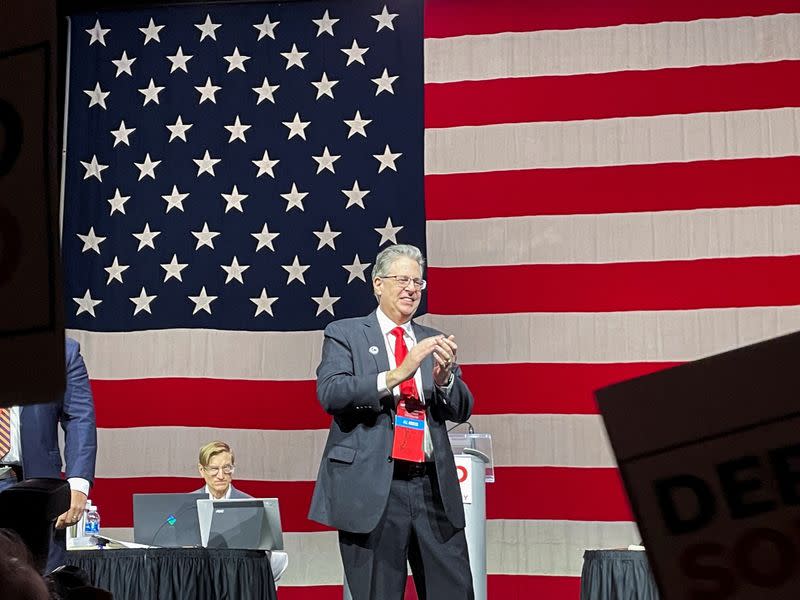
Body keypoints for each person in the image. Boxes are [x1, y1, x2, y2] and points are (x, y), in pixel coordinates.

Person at [309, 243, 475, 599]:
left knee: (455, 592)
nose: (411, 289)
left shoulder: (433, 339)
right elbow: (332, 393)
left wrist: (445, 379)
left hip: (432, 488)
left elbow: (461, 410)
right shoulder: (346, 334)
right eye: (403, 279)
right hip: (375, 490)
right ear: (377, 284)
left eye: (418, 282)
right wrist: (398, 373)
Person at [0, 337, 97, 574]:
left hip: (34, 489)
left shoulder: (62, 351)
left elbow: (79, 418)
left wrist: (78, 484)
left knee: (38, 581)